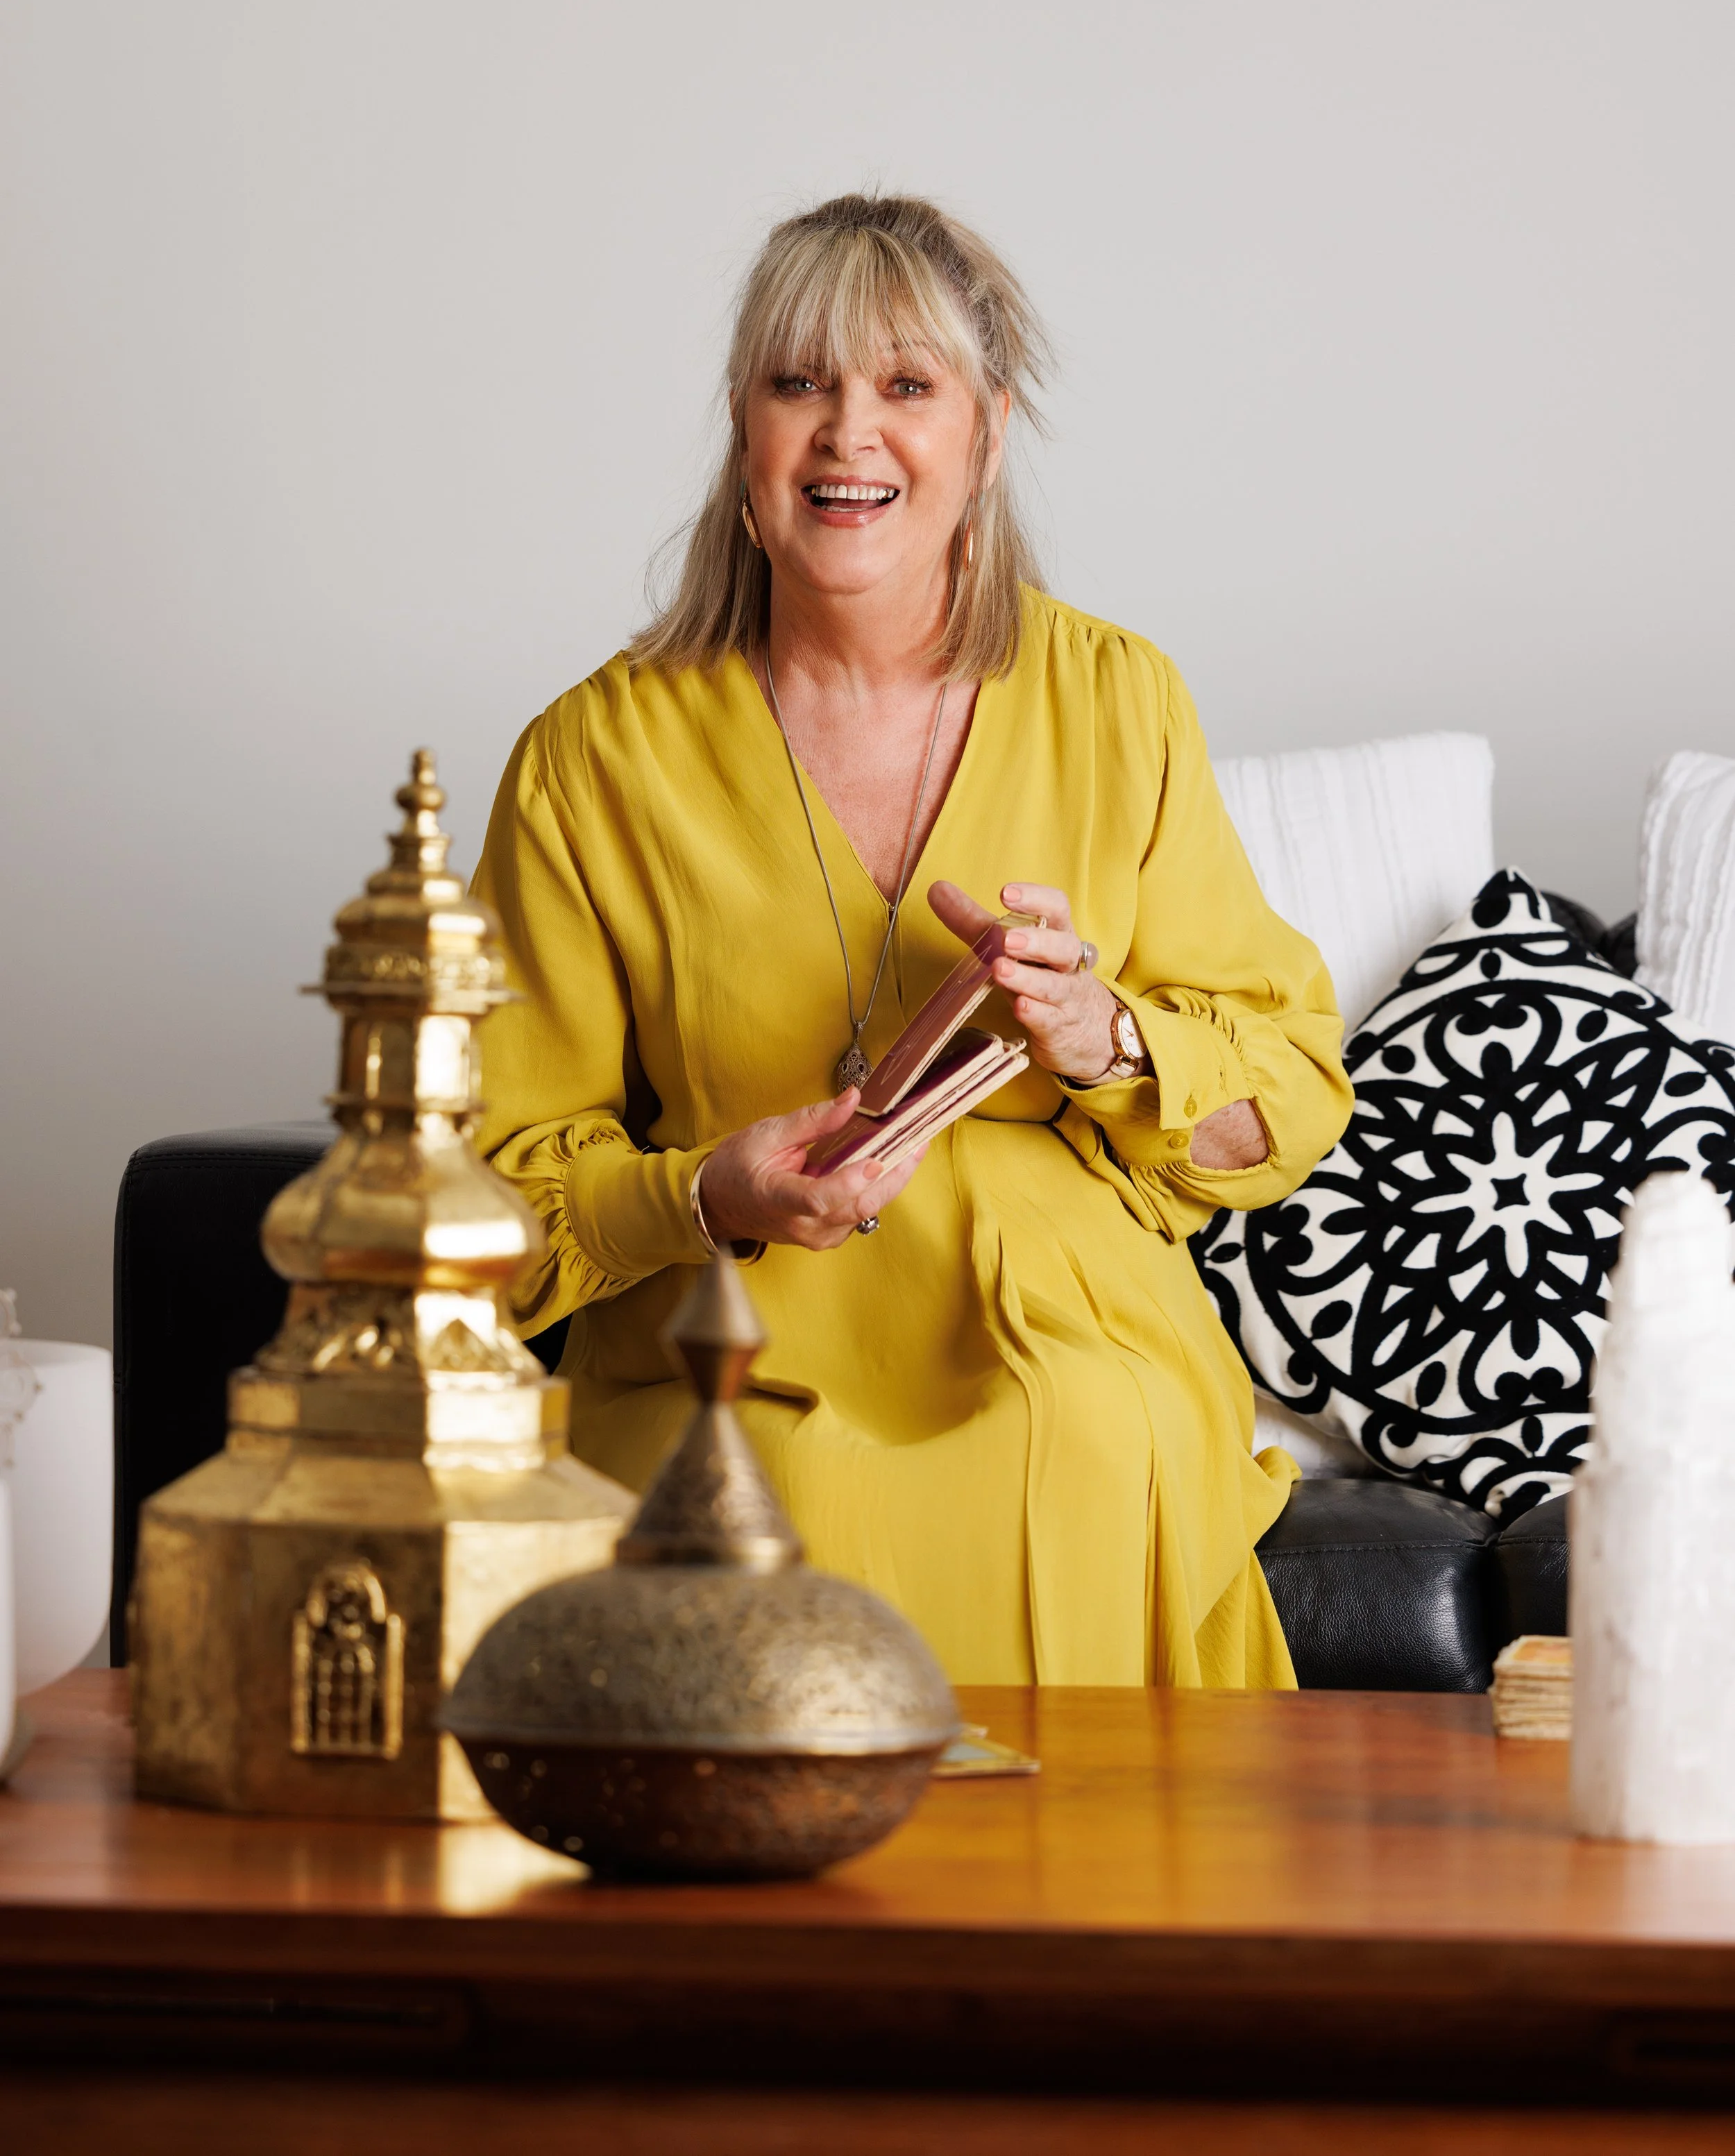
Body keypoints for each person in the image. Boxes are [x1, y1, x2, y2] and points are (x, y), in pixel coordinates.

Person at [473, 194, 1352, 1688]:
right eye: (797, 382)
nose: (844, 434)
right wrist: (699, 1191)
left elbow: (1282, 1105)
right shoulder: (588, 757)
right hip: (732, 1325)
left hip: (1064, 1322)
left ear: (987, 432)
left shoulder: (1121, 700)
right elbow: (484, 1193)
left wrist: (1106, 1037)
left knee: (1083, 1442)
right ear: (742, 428)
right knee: (775, 1506)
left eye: (903, 386)